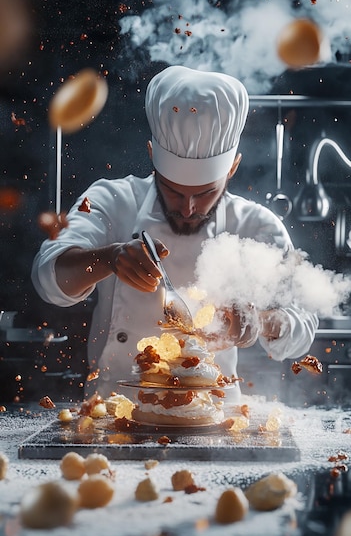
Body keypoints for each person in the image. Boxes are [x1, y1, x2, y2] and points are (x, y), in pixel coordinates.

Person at [31, 65, 318, 398]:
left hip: (214, 419)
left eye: (205, 192)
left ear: (233, 168)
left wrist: (262, 321)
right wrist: (109, 258)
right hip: (113, 412)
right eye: (174, 191)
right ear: (153, 156)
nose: (188, 208)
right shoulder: (111, 200)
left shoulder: (255, 225)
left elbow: (304, 325)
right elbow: (48, 279)